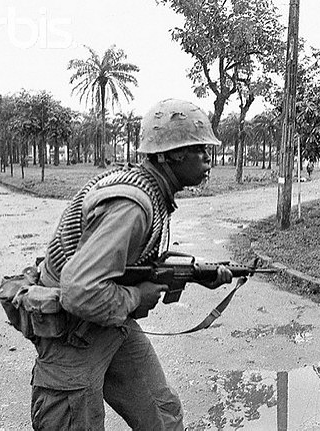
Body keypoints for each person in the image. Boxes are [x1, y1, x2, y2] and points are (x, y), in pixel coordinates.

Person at [30, 99, 233, 430]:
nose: (209, 159)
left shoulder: (152, 189)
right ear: (171, 155)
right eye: (200, 150)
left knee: (162, 415)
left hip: (110, 319)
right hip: (73, 331)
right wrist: (138, 298)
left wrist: (197, 273)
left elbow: (135, 261)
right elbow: (79, 292)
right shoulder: (132, 206)